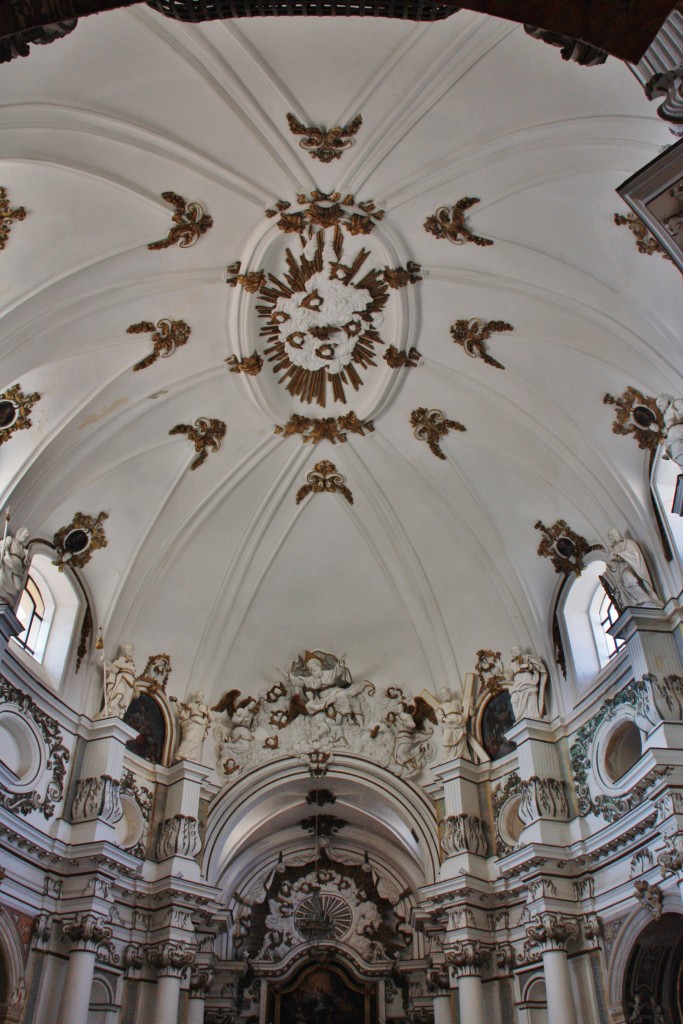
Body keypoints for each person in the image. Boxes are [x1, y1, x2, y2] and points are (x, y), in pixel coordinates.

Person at [603, 529, 662, 610]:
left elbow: (634, 553)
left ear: (618, 534)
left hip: (630, 567)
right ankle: (639, 602)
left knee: (630, 582)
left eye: (614, 534)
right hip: (620, 571)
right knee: (626, 584)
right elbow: (610, 562)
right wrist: (611, 559)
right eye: (611, 536)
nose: (613, 537)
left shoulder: (628, 542)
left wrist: (617, 556)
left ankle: (646, 600)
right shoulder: (612, 549)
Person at [507, 646, 548, 721]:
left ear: (521, 650)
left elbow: (539, 666)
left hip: (529, 684)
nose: (515, 652)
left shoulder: (528, 658)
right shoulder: (511, 665)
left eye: (516, 649)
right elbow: (509, 679)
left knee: (530, 699)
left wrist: (528, 666)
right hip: (517, 687)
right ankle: (519, 719)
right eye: (513, 651)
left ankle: (533, 718)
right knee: (514, 699)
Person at [98, 643, 137, 718]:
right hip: (122, 680)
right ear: (125, 651)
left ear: (133, 651)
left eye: (131, 649)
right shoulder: (122, 659)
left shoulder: (133, 665)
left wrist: (136, 689)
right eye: (128, 649)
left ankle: (120, 715)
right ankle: (110, 710)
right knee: (119, 695)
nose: (130, 650)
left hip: (130, 684)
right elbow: (113, 667)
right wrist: (105, 660)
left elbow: (133, 677)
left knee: (126, 701)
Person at [174, 691, 211, 761]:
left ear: (202, 697)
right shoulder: (191, 705)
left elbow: (210, 718)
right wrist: (179, 707)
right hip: (191, 723)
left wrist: (205, 712)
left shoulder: (205, 706)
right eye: (196, 696)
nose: (197, 697)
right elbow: (186, 716)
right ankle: (180, 754)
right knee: (188, 737)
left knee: (196, 740)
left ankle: (191, 756)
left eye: (199, 696)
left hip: (200, 726)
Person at [434, 687, 470, 758]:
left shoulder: (457, 702)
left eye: (446, 693)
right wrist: (445, 719)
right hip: (448, 724)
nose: (445, 695)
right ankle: (446, 758)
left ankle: (460, 754)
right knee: (446, 740)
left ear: (450, 693)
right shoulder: (441, 706)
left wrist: (469, 703)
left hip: (459, 721)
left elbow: (463, 709)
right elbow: (439, 715)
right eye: (443, 694)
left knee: (461, 739)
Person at [0, 526, 31, 609]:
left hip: (18, 570)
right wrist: (5, 552)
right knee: (3, 579)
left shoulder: (23, 549)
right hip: (9, 563)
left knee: (18, 587)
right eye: (24, 536)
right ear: (19, 534)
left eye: (26, 538)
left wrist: (27, 556)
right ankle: (2, 596)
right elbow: (3, 546)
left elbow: (26, 565)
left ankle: (9, 600)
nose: (24, 539)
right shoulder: (11, 539)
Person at [656, 394, 683, 470]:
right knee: (675, 455)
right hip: (672, 434)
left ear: (667, 400)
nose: (660, 405)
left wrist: (676, 416)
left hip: (679, 429)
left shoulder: (674, 403)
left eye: (661, 402)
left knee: (678, 451)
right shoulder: (665, 415)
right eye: (658, 405)